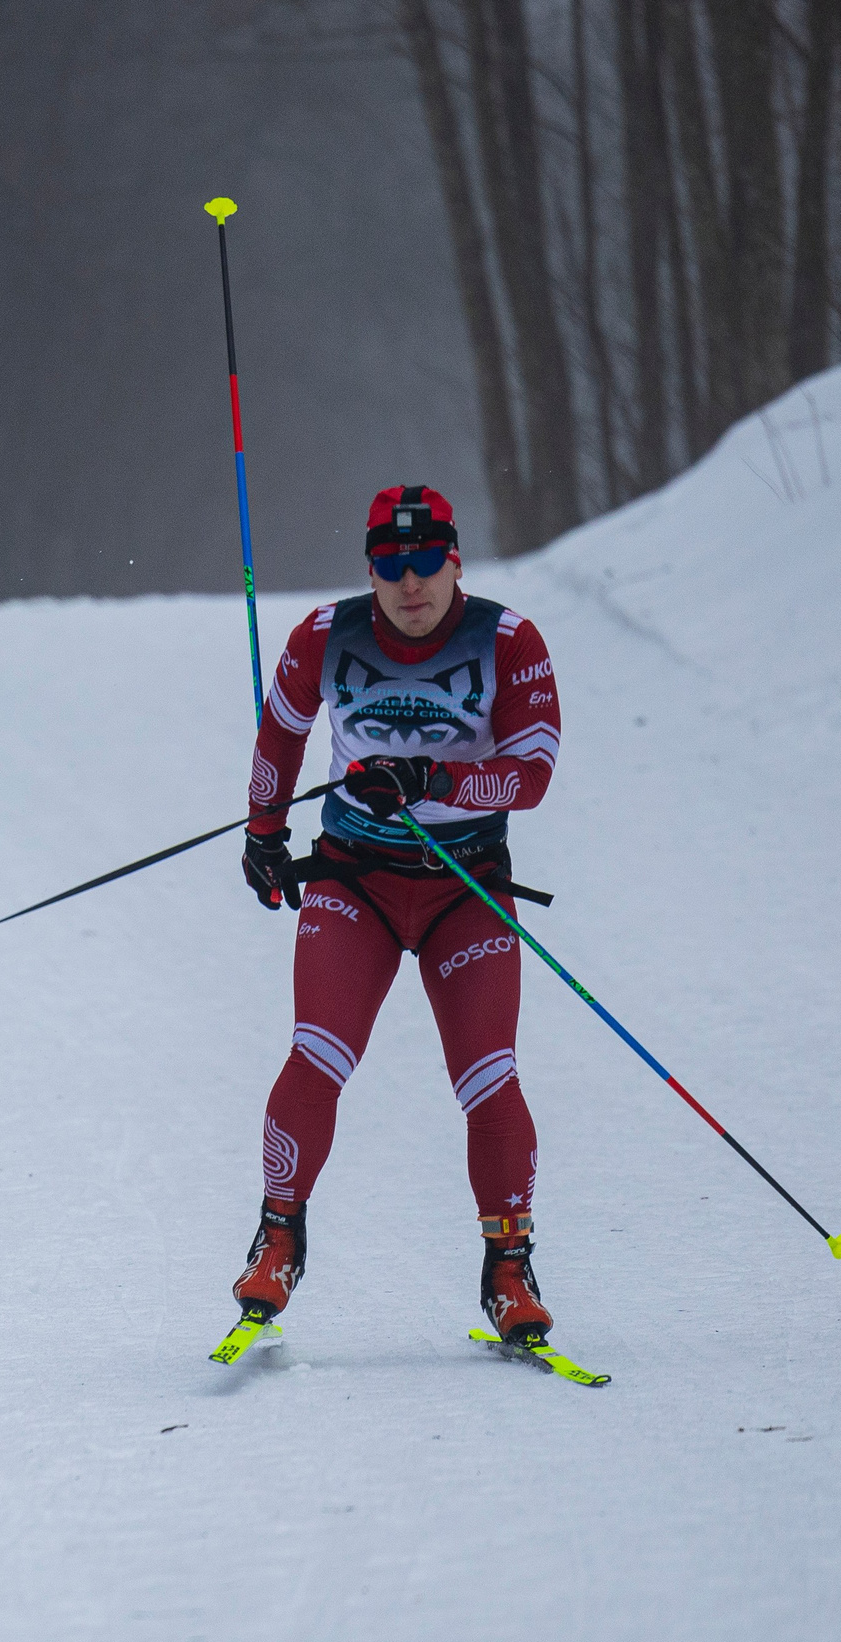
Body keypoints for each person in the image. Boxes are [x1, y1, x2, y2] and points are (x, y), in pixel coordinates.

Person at [231, 483, 563, 1343]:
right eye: (390, 565)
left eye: (425, 563)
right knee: (318, 1053)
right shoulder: (324, 636)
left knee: (489, 1073)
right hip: (357, 879)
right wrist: (265, 834)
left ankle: (508, 1264)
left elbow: (531, 772)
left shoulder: (508, 640)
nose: (410, 584)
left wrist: (435, 780)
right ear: (371, 570)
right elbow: (281, 732)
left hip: (466, 883)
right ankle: (278, 1235)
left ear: (455, 560)